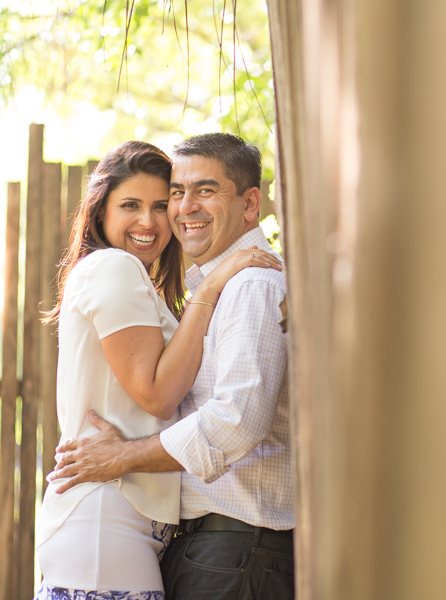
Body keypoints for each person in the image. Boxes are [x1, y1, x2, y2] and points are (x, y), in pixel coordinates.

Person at [49, 133, 295, 600]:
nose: (178, 210)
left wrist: (122, 455)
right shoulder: (136, 274)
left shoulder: (249, 286)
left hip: (236, 547)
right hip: (155, 535)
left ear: (249, 205)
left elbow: (235, 421)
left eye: (203, 191)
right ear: (101, 210)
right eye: (178, 194)